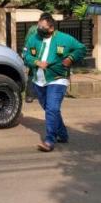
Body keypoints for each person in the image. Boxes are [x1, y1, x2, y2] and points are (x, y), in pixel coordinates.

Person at [23, 14, 86, 152]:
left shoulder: (64, 38)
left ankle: (49, 140)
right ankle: (63, 134)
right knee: (51, 110)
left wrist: (70, 58)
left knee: (52, 109)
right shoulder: (33, 38)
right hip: (38, 80)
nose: (39, 29)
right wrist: (36, 62)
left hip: (58, 78)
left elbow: (81, 48)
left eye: (42, 27)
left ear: (51, 28)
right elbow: (26, 55)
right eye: (38, 25)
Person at [22, 12, 54, 103]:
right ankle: (31, 94)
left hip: (40, 54)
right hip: (35, 53)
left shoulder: (35, 28)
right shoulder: (34, 30)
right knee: (33, 72)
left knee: (34, 73)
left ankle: (31, 95)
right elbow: (28, 42)